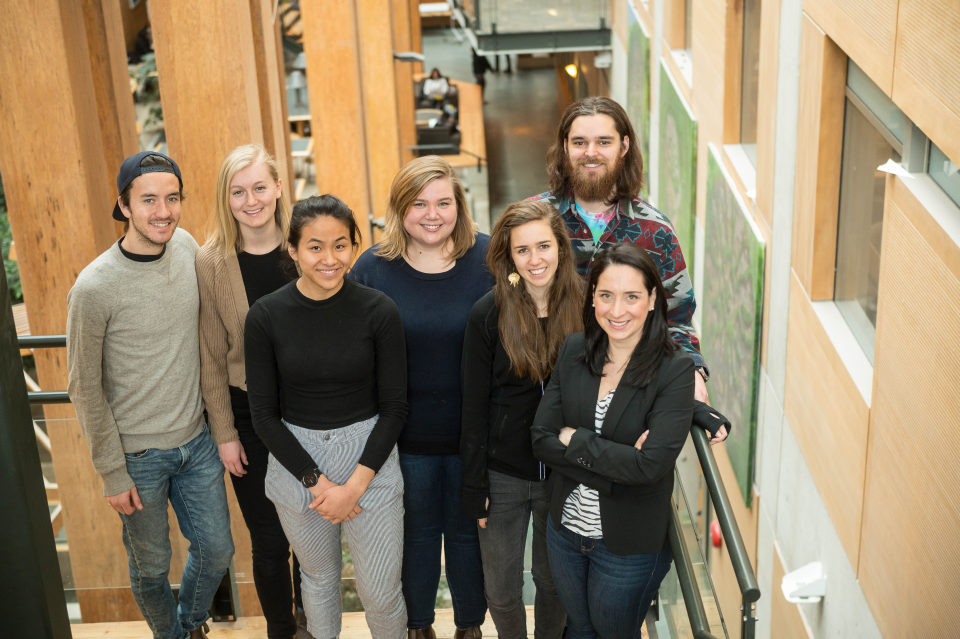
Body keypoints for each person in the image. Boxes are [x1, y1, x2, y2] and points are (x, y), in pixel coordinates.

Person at [67, 151, 234, 639]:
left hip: (197, 441)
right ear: (123, 205)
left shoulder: (185, 247)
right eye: (148, 200)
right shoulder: (94, 287)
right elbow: (84, 386)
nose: (163, 210)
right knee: (151, 568)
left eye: (172, 198)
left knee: (217, 550)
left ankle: (188, 623)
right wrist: (111, 472)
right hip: (137, 456)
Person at [244, 195, 408, 639]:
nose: (330, 258)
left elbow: (395, 408)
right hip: (298, 464)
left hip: (369, 460)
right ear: (293, 251)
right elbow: (262, 415)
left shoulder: (379, 310)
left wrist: (353, 485)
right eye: (315, 246)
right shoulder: (265, 316)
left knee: (381, 592)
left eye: (341, 245)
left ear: (354, 247)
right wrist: (318, 482)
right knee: (316, 584)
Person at [351, 156, 491, 639]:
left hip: (473, 435)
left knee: (468, 534)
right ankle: (418, 627)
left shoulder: (490, 259)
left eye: (443, 202)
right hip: (402, 437)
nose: (432, 214)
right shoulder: (372, 268)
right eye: (418, 204)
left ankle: (471, 626)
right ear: (399, 209)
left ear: (459, 205)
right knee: (415, 536)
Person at [530, 242, 694, 638]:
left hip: (627, 544)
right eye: (606, 295)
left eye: (632, 297)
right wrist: (618, 465)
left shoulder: (675, 370)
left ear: (653, 299)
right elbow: (541, 439)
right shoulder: (573, 351)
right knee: (581, 627)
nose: (617, 311)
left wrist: (575, 440)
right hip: (565, 530)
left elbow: (650, 467)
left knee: (612, 632)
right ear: (593, 299)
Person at [531, 96, 718, 408]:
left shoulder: (655, 232)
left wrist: (693, 371)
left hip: (625, 402)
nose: (590, 153)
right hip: (541, 395)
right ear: (565, 147)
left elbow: (676, 318)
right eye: (579, 142)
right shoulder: (532, 221)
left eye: (603, 141)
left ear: (624, 145)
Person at [196, 144, 309, 639]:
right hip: (248, 414)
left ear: (279, 188)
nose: (250, 200)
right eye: (238, 191)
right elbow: (210, 354)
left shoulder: (305, 243)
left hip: (312, 411)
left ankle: (314, 622)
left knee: (314, 533)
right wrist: (224, 432)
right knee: (268, 539)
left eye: (259, 187)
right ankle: (281, 630)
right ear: (227, 197)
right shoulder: (211, 261)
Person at [460, 200, 582, 639]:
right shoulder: (487, 315)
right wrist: (474, 486)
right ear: (508, 257)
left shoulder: (587, 308)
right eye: (523, 250)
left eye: (543, 246)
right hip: (502, 476)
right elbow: (472, 408)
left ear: (561, 247)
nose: (535, 260)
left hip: (565, 476)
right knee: (502, 590)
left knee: (554, 582)